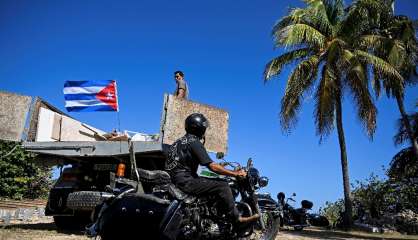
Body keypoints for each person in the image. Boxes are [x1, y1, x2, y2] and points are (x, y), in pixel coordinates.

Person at [165, 113, 260, 224]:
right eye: (204, 128)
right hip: (186, 182)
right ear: (199, 128)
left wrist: (221, 166)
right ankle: (237, 219)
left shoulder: (178, 142)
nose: (205, 131)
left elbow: (192, 161)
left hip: (175, 180)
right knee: (223, 185)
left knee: (207, 182)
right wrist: (236, 174)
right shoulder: (194, 142)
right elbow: (212, 167)